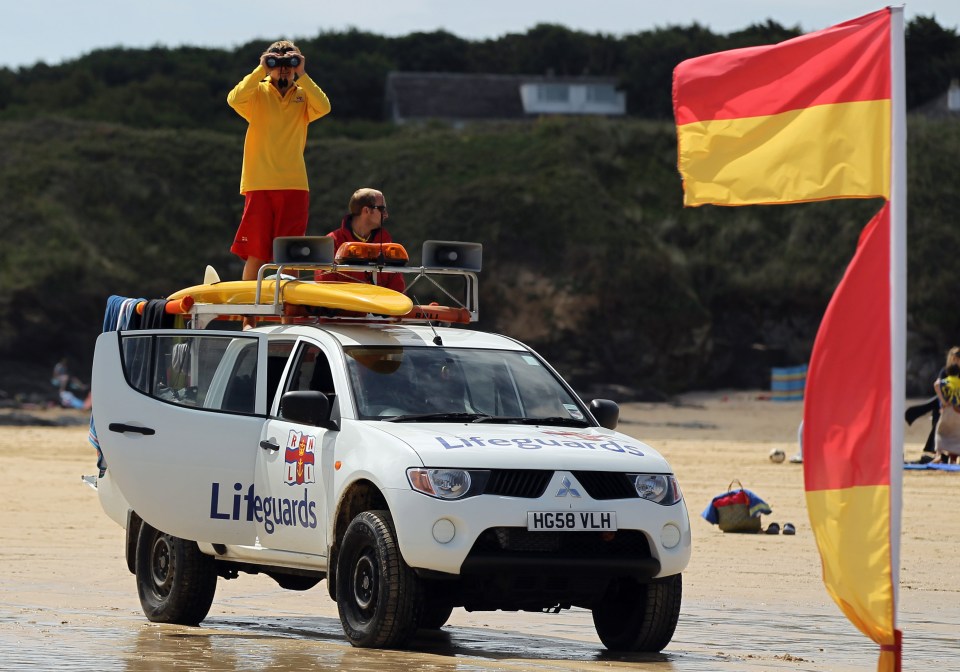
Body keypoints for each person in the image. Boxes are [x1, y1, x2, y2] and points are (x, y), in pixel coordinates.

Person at [227, 39, 332, 326]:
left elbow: (324, 107)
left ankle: (289, 320)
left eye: (289, 64)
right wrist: (260, 69)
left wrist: (303, 74)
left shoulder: (303, 96)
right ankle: (249, 319)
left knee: (291, 256)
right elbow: (233, 99)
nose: (283, 70)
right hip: (259, 182)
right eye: (277, 63)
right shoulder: (257, 93)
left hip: (295, 184)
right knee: (257, 253)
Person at [315, 188, 405, 292]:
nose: (386, 214)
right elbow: (326, 289)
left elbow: (398, 289)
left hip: (380, 307)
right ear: (366, 210)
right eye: (382, 209)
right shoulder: (331, 242)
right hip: (343, 307)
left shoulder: (386, 243)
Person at [906, 346, 960, 463]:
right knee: (942, 432)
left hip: (951, 408)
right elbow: (938, 386)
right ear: (953, 358)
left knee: (949, 433)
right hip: (946, 408)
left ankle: (946, 457)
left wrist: (944, 402)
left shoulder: (949, 374)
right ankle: (941, 456)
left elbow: (938, 385)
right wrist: (943, 403)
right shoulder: (945, 371)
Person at [933, 364, 960, 463]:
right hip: (958, 411)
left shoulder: (945, 382)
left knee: (940, 433)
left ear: (947, 373)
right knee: (957, 435)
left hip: (947, 410)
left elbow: (936, 384)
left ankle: (938, 454)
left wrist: (943, 401)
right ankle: (953, 459)